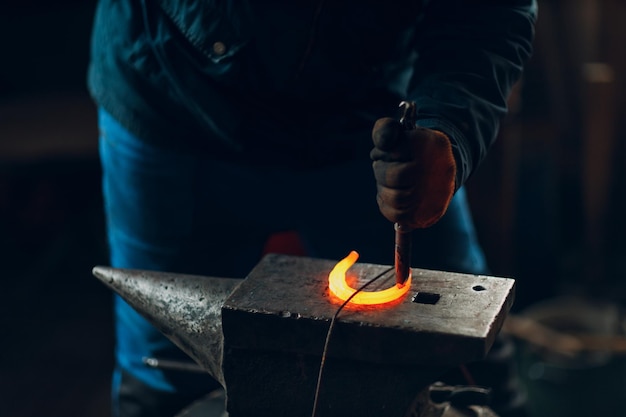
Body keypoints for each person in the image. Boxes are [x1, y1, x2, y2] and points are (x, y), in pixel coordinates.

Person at [87, 1, 537, 416]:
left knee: (464, 354)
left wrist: (450, 127)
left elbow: (489, 11)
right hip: (175, 104)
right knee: (166, 375)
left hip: (370, 123)